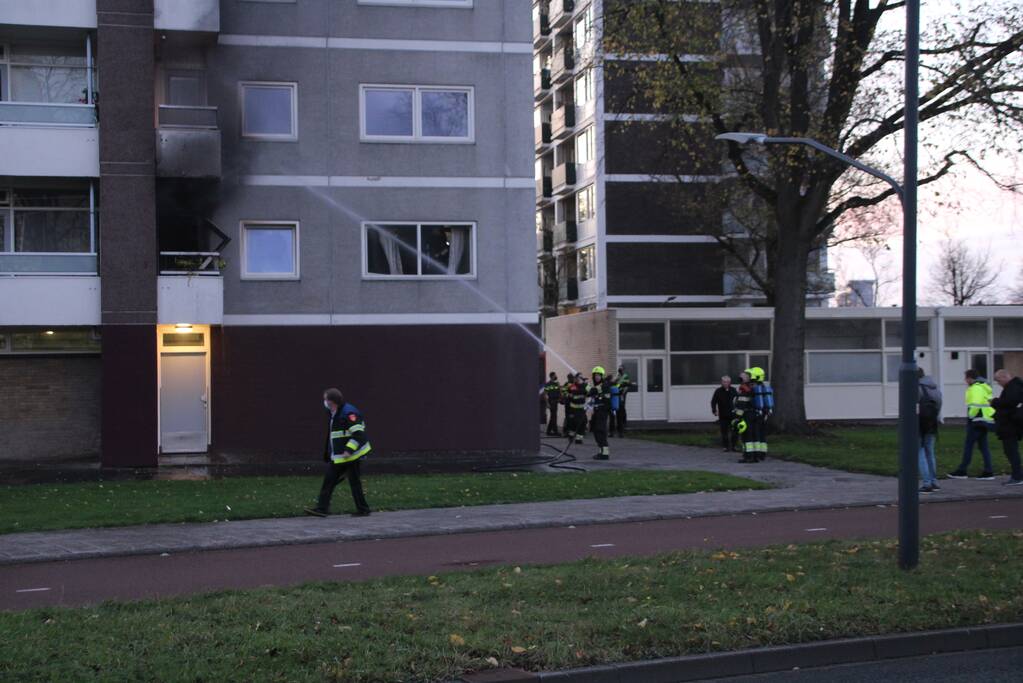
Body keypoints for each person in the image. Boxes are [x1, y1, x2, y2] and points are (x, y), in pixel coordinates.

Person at [305, 388, 372, 517]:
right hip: (340, 457)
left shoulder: (349, 413)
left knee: (354, 483)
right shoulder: (334, 412)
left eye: (325, 399)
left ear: (331, 402)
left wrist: (348, 450)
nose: (324, 402)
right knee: (329, 481)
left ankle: (363, 509)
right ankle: (322, 509)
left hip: (351, 455)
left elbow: (359, 435)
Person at [947, 369, 996, 480]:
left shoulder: (975, 388)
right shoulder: (985, 387)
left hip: (976, 420)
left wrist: (971, 416)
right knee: (984, 447)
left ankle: (962, 470)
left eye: (966, 378)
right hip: (984, 420)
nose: (965, 381)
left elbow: (975, 405)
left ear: (970, 378)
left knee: (969, 446)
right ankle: (989, 471)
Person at [990, 369, 1023, 486]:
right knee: (1010, 450)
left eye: (999, 381)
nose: (999, 383)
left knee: (1011, 450)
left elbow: (1009, 403)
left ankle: (1017, 476)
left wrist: (994, 402)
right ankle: (1018, 474)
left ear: (1005, 377)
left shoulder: (1013, 388)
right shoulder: (1015, 387)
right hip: (1011, 424)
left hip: (1010, 425)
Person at [918, 367, 943, 493]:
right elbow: (938, 406)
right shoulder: (935, 388)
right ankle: (934, 481)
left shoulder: (917, 388)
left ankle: (926, 483)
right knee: (930, 452)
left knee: (920, 452)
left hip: (919, 425)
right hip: (932, 424)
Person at [747, 366, 774, 461]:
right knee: (762, 434)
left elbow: (749, 401)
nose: (748, 377)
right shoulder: (765, 387)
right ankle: (763, 453)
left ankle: (756, 453)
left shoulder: (754, 388)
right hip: (764, 413)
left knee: (756, 433)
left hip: (756, 413)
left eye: (750, 375)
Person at [588, 366, 613, 459]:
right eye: (595, 375)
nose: (596, 377)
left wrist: (585, 385)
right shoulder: (598, 386)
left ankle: (605, 453)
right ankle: (601, 451)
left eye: (598, 375)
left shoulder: (604, 385)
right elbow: (591, 394)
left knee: (600, 431)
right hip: (597, 411)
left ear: (602, 376)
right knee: (595, 431)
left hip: (602, 412)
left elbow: (592, 392)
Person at [732, 371, 756, 463]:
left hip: (745, 416)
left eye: (742, 376)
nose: (739, 377)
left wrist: (737, 417)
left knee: (746, 436)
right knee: (750, 436)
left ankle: (748, 457)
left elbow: (741, 404)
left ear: (747, 378)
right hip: (751, 414)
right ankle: (751, 456)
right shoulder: (750, 387)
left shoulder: (744, 388)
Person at [711, 375, 738, 452]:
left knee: (735, 432)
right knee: (724, 432)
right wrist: (714, 410)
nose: (726, 383)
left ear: (730, 382)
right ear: (721, 382)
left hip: (733, 415)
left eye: (727, 382)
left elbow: (738, 401)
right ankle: (725, 447)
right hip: (723, 415)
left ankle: (734, 446)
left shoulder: (733, 390)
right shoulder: (718, 391)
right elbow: (713, 402)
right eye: (724, 382)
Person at [566, 373, 588, 445]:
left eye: (581, 377)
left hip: (581, 408)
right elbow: (570, 393)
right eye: (578, 377)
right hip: (573, 408)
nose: (579, 378)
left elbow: (590, 392)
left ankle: (578, 439)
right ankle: (571, 436)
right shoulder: (572, 386)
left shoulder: (585, 386)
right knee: (573, 423)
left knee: (583, 422)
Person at [542, 372, 562, 436]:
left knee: (553, 416)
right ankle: (555, 431)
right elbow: (545, 394)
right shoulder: (548, 384)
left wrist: (560, 398)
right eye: (555, 375)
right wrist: (547, 403)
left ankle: (549, 431)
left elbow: (559, 392)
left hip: (556, 401)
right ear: (552, 376)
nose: (556, 376)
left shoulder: (556, 384)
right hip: (551, 401)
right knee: (554, 416)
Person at [614, 365, 631, 437]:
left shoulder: (625, 376)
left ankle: (623, 426)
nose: (619, 370)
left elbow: (627, 385)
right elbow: (616, 384)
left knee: (622, 410)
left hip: (622, 395)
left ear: (623, 370)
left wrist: (623, 393)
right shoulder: (617, 376)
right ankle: (619, 429)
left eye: (621, 369)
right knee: (618, 412)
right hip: (617, 395)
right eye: (619, 368)